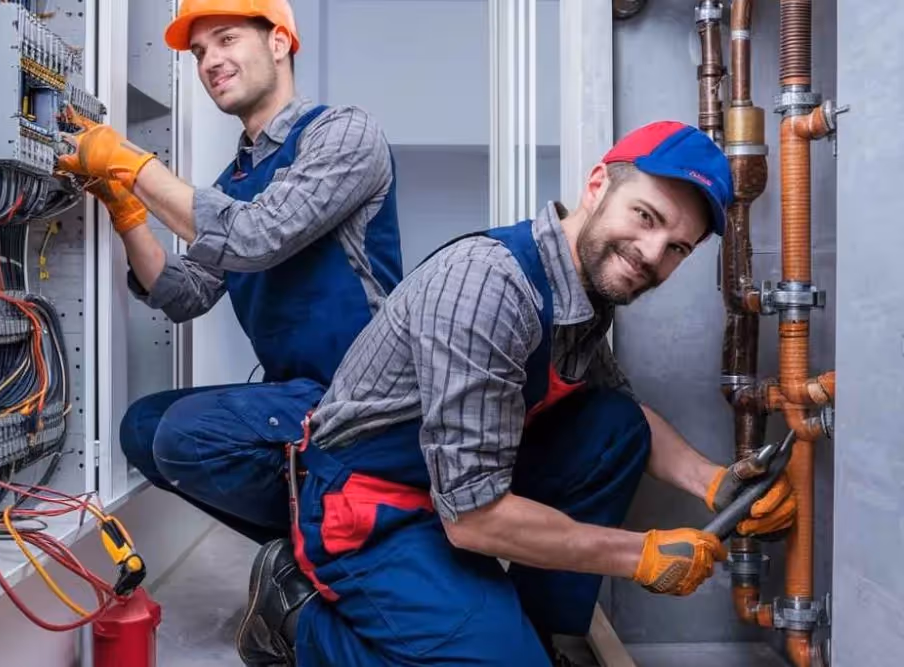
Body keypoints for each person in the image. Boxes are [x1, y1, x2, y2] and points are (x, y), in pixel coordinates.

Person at [235, 121, 798, 666]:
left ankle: (530, 632)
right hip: (369, 506)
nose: (653, 254)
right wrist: (641, 554)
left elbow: (627, 418)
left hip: (445, 489)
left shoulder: (581, 291)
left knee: (614, 426)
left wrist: (713, 482)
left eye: (677, 248)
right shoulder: (489, 285)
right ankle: (295, 620)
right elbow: (473, 518)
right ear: (598, 185)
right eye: (645, 217)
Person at [56, 0, 402, 544]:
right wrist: (127, 214)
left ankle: (339, 540)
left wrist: (130, 161)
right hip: (298, 394)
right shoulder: (234, 182)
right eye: (199, 52)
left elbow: (257, 235)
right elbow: (185, 294)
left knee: (184, 435)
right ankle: (307, 548)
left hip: (363, 398)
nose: (210, 61)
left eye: (227, 39)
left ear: (279, 43)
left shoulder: (342, 134)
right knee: (144, 429)